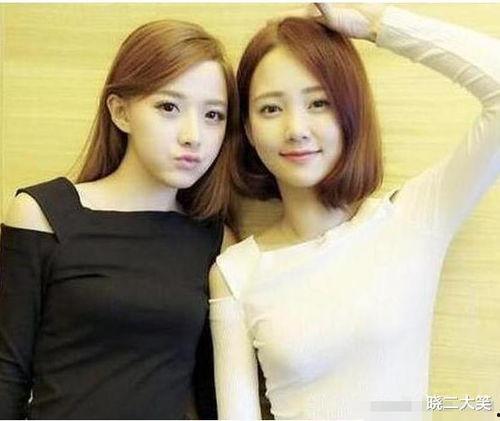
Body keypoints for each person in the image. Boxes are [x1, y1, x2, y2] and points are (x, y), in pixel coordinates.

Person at [209, 3, 500, 420]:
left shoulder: (412, 220)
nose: (296, 129)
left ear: (350, 112)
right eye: (271, 108)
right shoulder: (236, 272)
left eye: (319, 103)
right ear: (250, 131)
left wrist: (376, 25)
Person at [0, 18, 239, 419]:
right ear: (121, 111)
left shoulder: (215, 241)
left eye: (213, 115)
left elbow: (213, 396)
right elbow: (7, 371)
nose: (193, 136)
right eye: (169, 107)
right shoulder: (42, 213)